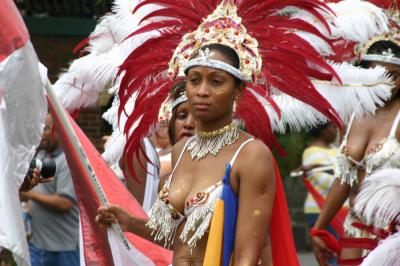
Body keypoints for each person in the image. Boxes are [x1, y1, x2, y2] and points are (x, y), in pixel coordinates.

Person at [95, 1, 395, 265]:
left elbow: (247, 254)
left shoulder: (250, 155)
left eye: (216, 82)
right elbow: (175, 235)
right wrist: (130, 221)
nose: (202, 91)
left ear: (238, 91)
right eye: (195, 79)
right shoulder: (181, 150)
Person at [311, 39, 400, 266]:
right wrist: (318, 229)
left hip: (392, 233)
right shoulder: (352, 115)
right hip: (355, 227)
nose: (388, 83)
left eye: (395, 75)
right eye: (379, 75)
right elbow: (343, 179)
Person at [20, 113, 80, 266]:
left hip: (63, 248)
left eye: (45, 129)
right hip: (38, 244)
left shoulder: (68, 160)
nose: (41, 133)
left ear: (58, 130)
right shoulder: (41, 154)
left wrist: (30, 195)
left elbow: (65, 203)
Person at [302, 123, 339, 235]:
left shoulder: (336, 149)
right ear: (322, 130)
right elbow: (328, 182)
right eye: (333, 127)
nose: (336, 131)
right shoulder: (311, 152)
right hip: (319, 209)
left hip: (338, 209)